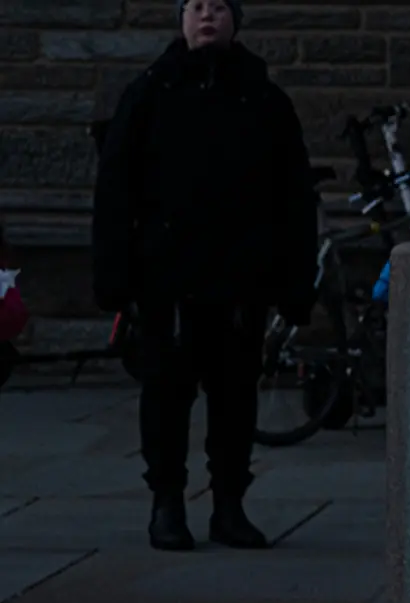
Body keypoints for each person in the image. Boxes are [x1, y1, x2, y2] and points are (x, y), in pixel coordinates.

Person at [91, 0, 318, 551]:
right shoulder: (150, 94)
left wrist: (293, 285)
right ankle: (166, 504)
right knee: (166, 399)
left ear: (235, 20)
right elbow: (116, 191)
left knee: (234, 399)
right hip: (167, 281)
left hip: (240, 280)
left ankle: (229, 506)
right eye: (196, 7)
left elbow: (293, 197)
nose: (207, 17)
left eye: (217, 7)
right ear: (182, 19)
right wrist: (115, 279)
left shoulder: (264, 100)